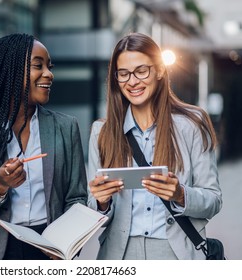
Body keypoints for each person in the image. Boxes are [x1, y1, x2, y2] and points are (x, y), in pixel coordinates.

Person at [0, 33, 88, 260]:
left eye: (49, 67)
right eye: (37, 66)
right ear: (9, 72)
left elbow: (77, 198)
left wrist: (68, 242)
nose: (49, 74)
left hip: (51, 249)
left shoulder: (66, 127)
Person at [87, 32, 222, 260]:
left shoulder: (191, 125)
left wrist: (180, 194)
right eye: (123, 74)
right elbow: (92, 211)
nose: (132, 81)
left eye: (141, 71)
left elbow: (213, 200)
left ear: (159, 70)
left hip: (174, 252)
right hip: (119, 254)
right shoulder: (102, 132)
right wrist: (101, 202)